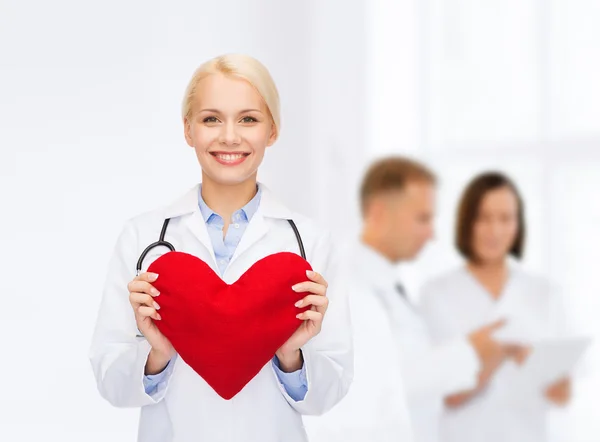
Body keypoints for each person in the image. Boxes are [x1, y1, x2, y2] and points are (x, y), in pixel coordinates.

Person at [88, 54, 353, 442]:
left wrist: (291, 354)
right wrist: (157, 354)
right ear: (188, 130)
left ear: (272, 131)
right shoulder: (141, 238)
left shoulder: (311, 244)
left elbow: (330, 389)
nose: (230, 136)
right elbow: (109, 377)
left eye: (249, 119)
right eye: (211, 118)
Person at [304, 157, 506, 442]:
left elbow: (412, 378)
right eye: (422, 218)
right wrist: (469, 352)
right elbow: (376, 385)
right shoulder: (344, 285)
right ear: (379, 213)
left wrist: (476, 362)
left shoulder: (390, 283)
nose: (431, 234)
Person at [419, 171, 571, 442]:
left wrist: (540, 369)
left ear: (518, 224)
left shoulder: (545, 293)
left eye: (505, 218)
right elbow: (444, 394)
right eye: (483, 218)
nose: (495, 230)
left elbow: (562, 394)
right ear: (467, 222)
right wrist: (501, 351)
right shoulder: (436, 293)